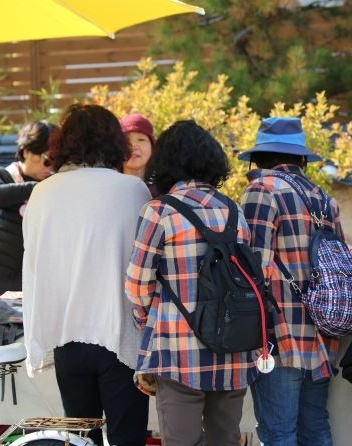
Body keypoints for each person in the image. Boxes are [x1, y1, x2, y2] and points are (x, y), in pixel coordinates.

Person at [22, 104, 150, 446]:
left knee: (80, 440)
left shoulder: (42, 192)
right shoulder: (133, 190)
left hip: (66, 333)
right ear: (114, 142)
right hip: (120, 332)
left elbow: (32, 265)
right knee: (128, 438)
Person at [125, 120, 255, 446]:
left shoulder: (159, 212)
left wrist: (147, 319)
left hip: (177, 350)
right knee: (225, 440)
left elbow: (137, 284)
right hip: (233, 347)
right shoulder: (234, 211)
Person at [238, 117, 341, 445]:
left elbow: (254, 268)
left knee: (278, 432)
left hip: (278, 335)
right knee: (316, 428)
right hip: (323, 332)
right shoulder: (323, 198)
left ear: (258, 158)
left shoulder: (261, 191)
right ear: (301, 158)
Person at [0, 121, 57, 301]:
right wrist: (40, 187)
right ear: (27, 151)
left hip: (43, 277)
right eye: (47, 159)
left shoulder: (54, 184)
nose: (50, 167)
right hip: (3, 278)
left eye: (55, 161)